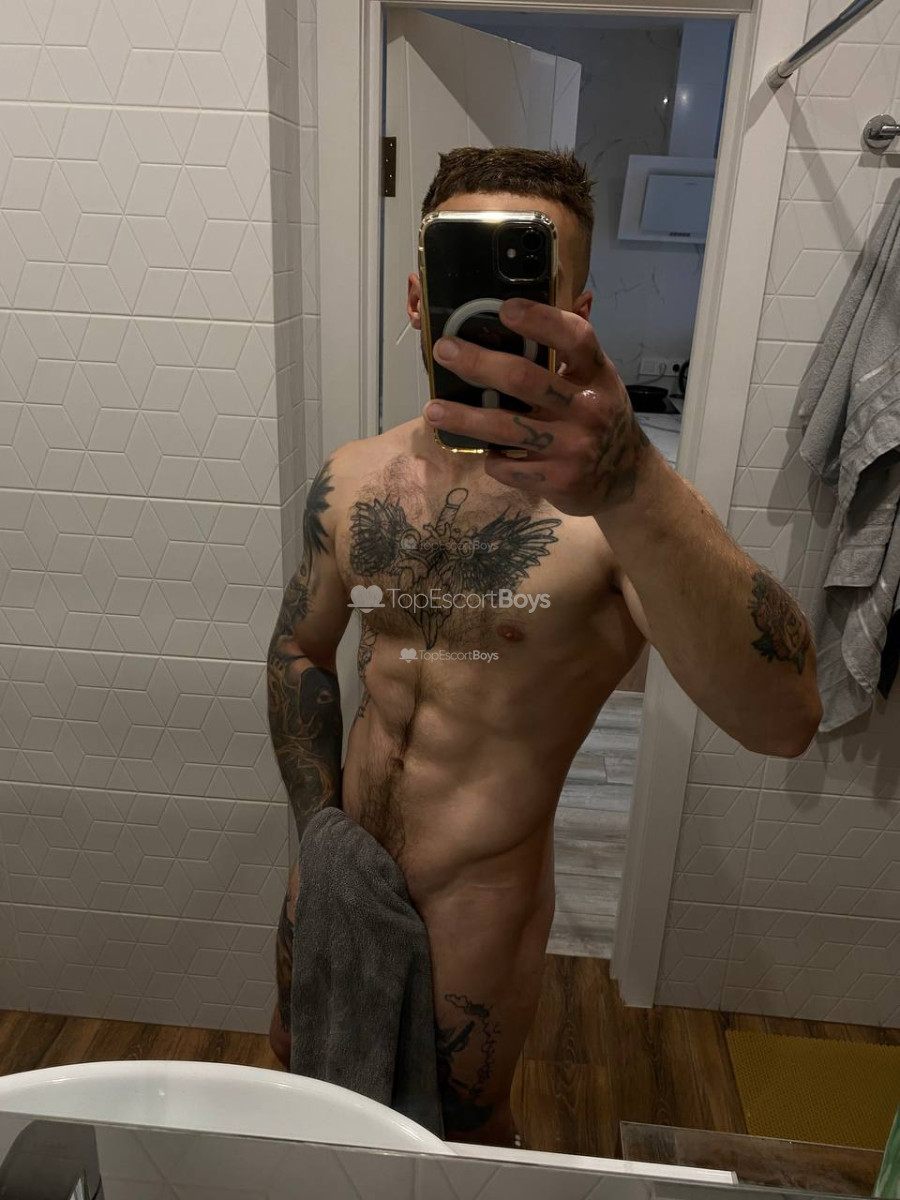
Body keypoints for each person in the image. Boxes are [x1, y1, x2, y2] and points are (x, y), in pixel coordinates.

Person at [266, 148, 822, 1146]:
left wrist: (633, 482)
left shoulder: (616, 518)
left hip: (476, 911)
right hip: (336, 874)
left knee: (459, 1146)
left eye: (529, 289)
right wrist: (318, 834)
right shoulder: (349, 478)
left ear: (577, 312)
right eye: (461, 276)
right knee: (298, 1094)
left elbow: (785, 721)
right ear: (417, 295)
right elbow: (300, 652)